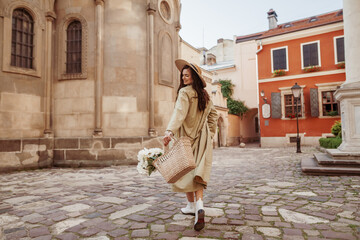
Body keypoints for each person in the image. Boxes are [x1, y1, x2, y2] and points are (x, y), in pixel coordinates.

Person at [163, 59, 218, 231]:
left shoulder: (185, 93)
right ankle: (198, 206)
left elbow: (180, 112)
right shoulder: (206, 97)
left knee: (185, 171)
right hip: (202, 139)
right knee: (198, 172)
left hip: (185, 139)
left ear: (194, 77)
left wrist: (169, 131)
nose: (184, 78)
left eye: (187, 75)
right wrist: (210, 134)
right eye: (183, 75)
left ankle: (191, 205)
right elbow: (214, 117)